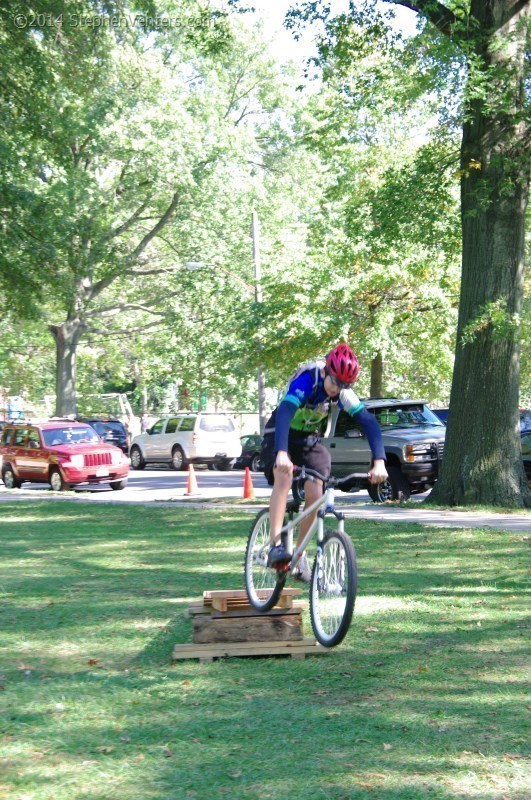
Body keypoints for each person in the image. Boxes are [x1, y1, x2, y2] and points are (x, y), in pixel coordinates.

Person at [261, 343, 388, 582]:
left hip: (309, 440)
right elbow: (286, 412)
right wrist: (281, 453)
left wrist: (379, 461)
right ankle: (275, 544)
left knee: (316, 490)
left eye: (344, 386)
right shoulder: (308, 381)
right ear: (326, 372)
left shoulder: (342, 392)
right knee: (284, 476)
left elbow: (369, 423)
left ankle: (298, 556)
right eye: (335, 383)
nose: (336, 389)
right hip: (280, 433)